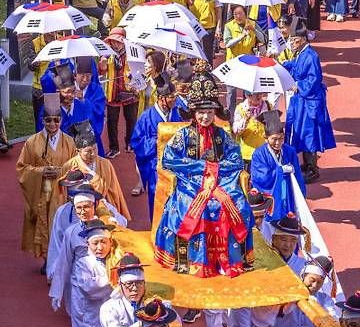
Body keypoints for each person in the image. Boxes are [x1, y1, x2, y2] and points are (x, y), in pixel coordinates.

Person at [154, 74, 254, 277]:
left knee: (234, 204)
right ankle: (196, 261)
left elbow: (235, 158)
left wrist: (215, 169)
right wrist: (201, 166)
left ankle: (228, 259)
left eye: (209, 112)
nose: (205, 117)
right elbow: (168, 159)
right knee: (195, 208)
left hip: (220, 180)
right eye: (201, 112)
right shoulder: (183, 135)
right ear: (193, 113)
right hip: (191, 182)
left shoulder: (221, 134)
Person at [16, 99, 77, 262]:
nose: (53, 124)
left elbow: (76, 166)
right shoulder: (32, 142)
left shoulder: (69, 142)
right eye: (48, 120)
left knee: (60, 223)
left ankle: (61, 258)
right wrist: (40, 171)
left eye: (56, 120)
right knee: (43, 222)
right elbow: (22, 168)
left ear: (61, 120)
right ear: (42, 120)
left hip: (62, 192)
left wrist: (62, 171)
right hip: (41, 191)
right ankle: (46, 258)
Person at [283, 22, 335, 183]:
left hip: (310, 101)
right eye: (291, 40)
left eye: (295, 40)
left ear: (304, 39)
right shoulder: (301, 53)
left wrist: (298, 85)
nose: (292, 43)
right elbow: (294, 65)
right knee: (301, 131)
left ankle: (313, 168)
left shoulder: (311, 56)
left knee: (309, 133)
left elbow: (314, 79)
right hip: (302, 101)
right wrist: (280, 65)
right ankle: (306, 164)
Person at [130, 75, 180, 217]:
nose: (174, 100)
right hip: (155, 166)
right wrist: (158, 142)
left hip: (176, 165)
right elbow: (137, 142)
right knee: (157, 201)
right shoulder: (147, 116)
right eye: (171, 97)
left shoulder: (177, 114)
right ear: (161, 98)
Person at [60, 121, 130, 222]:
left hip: (102, 206)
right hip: (78, 210)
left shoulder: (105, 164)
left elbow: (114, 191)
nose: (92, 154)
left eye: (95, 149)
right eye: (88, 151)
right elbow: (61, 193)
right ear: (78, 151)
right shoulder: (69, 165)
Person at [250, 110, 305, 221]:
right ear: (266, 138)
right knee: (270, 222)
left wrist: (301, 194)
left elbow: (298, 175)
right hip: (271, 193)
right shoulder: (259, 153)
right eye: (274, 139)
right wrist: (280, 170)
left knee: (288, 219)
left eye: (281, 138)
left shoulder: (290, 151)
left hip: (288, 191)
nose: (278, 143)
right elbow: (260, 177)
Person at [101, 28, 138, 159]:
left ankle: (130, 143)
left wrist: (133, 77)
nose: (116, 44)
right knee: (112, 122)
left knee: (131, 120)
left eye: (118, 41)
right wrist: (103, 64)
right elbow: (101, 71)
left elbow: (139, 71)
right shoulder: (106, 54)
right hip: (113, 92)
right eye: (113, 41)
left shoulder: (133, 53)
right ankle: (114, 148)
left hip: (130, 92)